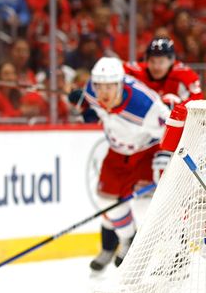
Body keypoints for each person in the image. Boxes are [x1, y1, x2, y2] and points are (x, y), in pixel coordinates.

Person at [75, 57, 170, 272]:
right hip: (117, 153)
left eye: (110, 87)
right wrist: (83, 106)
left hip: (146, 153)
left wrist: (165, 158)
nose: (104, 93)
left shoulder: (145, 106)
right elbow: (93, 107)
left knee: (146, 205)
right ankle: (128, 239)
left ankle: (163, 258)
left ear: (121, 84)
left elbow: (174, 130)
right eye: (100, 86)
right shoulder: (91, 90)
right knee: (105, 201)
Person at [123, 37, 202, 105]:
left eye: (161, 62)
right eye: (152, 61)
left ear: (171, 61)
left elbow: (197, 103)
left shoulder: (185, 74)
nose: (156, 67)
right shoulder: (135, 70)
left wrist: (180, 105)